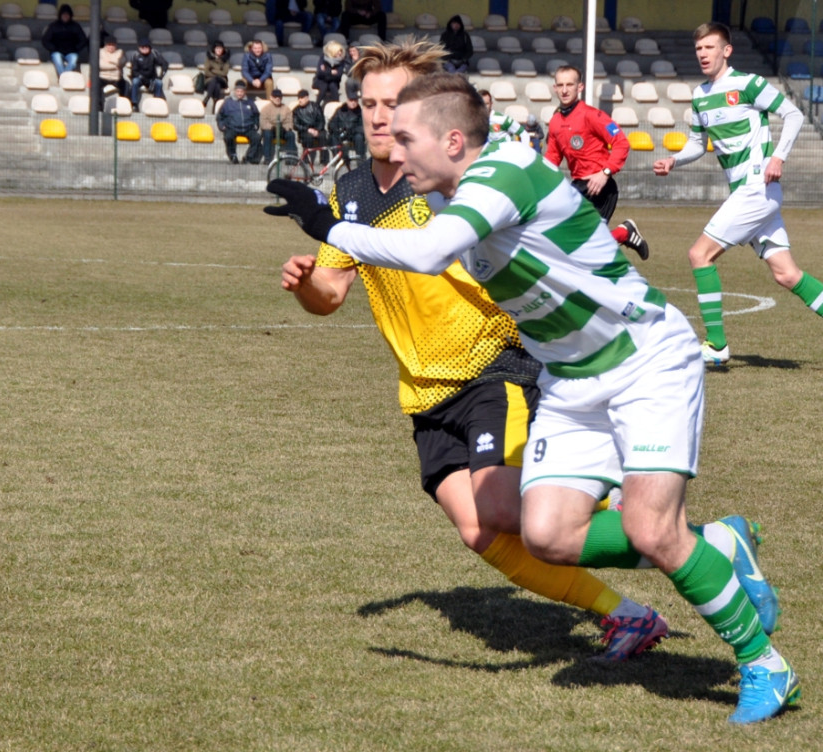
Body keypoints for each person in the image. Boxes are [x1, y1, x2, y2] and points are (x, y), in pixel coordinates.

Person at [266, 69, 798, 725]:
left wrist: (325, 224)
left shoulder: (503, 173)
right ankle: (718, 545)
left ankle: (764, 665)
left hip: (644, 361)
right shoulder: (457, 194)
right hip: (573, 379)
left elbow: (430, 253)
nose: (394, 152)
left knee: (650, 529)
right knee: (546, 533)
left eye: (406, 137)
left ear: (453, 141)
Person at [276, 38, 668, 663]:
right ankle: (628, 615)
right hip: (425, 389)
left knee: (507, 509)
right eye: (369, 102)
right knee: (480, 530)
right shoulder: (350, 189)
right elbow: (333, 293)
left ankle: (684, 541)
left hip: (494, 369)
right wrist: (307, 284)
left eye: (394, 102)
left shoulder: (447, 184)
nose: (379, 116)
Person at [653, 22, 823, 366]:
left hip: (756, 187)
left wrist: (779, 156)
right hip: (752, 192)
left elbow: (792, 114)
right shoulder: (700, 95)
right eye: (699, 49)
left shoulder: (748, 84)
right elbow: (699, 144)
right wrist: (674, 159)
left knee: (699, 255)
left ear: (726, 50)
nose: (703, 54)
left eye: (710, 48)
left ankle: (716, 345)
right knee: (787, 274)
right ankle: (716, 345)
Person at [546, 64, 650, 261]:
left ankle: (624, 234)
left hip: (600, 187)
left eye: (570, 84)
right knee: (578, 248)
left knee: (582, 249)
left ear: (580, 87)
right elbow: (552, 158)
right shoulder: (555, 122)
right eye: (560, 85)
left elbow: (621, 143)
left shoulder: (592, 115)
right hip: (577, 187)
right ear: (555, 88)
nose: (565, 89)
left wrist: (605, 173)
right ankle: (624, 233)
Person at [216, 80, 261, 164]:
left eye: (241, 91)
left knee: (257, 138)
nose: (239, 93)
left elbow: (256, 115)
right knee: (228, 137)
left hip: (248, 128)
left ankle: (248, 157)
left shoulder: (250, 102)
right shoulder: (228, 102)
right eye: (238, 91)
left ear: (244, 92)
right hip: (232, 127)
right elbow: (220, 116)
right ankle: (233, 155)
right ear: (235, 91)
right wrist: (222, 126)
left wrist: (256, 125)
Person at [41, 4, 88, 78]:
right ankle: (65, 78)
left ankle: (63, 78)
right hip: (57, 51)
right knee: (58, 61)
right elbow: (45, 40)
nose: (65, 16)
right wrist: (54, 48)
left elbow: (83, 40)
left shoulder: (76, 26)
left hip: (71, 52)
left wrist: (75, 48)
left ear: (70, 15)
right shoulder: (53, 26)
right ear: (60, 15)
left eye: (67, 14)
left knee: (73, 60)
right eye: (64, 14)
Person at [328, 85, 365, 160]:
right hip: (341, 133)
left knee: (359, 137)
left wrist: (351, 130)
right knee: (333, 136)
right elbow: (332, 123)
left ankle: (360, 158)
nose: (353, 103)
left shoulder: (360, 113)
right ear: (347, 101)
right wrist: (338, 130)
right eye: (351, 101)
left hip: (353, 135)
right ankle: (336, 159)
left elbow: (362, 127)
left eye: (355, 101)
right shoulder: (340, 110)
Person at [129, 38, 168, 110]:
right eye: (142, 47)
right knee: (135, 81)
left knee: (159, 83)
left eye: (146, 47)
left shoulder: (154, 54)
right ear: (139, 47)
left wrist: (160, 76)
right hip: (140, 78)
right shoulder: (136, 55)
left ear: (149, 47)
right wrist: (141, 77)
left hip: (151, 78)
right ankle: (134, 104)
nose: (144, 48)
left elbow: (164, 64)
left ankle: (157, 102)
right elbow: (134, 71)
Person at [260, 88, 297, 163]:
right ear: (271, 98)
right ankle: (267, 158)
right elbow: (263, 123)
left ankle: (290, 158)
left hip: (282, 130)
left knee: (291, 135)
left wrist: (285, 128)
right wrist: (272, 127)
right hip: (271, 130)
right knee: (267, 134)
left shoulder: (286, 108)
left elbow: (290, 122)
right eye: (275, 97)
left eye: (279, 97)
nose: (277, 99)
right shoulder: (265, 109)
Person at [292, 88, 327, 164]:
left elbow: (321, 121)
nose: (300, 100)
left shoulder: (316, 107)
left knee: (323, 136)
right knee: (308, 137)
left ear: (307, 98)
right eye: (299, 98)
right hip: (304, 131)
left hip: (317, 130)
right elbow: (295, 125)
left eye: (302, 98)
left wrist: (317, 130)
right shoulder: (296, 110)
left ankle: (324, 160)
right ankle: (306, 159)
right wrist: (307, 129)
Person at [312, 40, 346, 105]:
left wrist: (326, 71)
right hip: (319, 81)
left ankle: (337, 106)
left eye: (341, 51)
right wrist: (331, 72)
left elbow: (338, 75)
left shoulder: (341, 61)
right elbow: (319, 73)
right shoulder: (323, 58)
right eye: (338, 51)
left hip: (333, 82)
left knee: (332, 85)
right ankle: (317, 106)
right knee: (324, 85)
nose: (340, 53)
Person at [199, 40, 230, 108]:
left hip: (222, 80)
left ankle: (207, 98)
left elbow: (225, 73)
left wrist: (213, 70)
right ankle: (216, 103)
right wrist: (217, 74)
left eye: (220, 48)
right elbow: (206, 72)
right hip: (209, 80)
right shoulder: (209, 59)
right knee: (216, 84)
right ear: (214, 49)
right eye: (217, 48)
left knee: (216, 80)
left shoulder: (225, 60)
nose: (219, 50)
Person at [98, 34, 127, 98]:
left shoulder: (120, 52)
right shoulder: (100, 52)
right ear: (105, 45)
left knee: (124, 83)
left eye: (113, 45)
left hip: (116, 78)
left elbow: (121, 62)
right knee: (96, 84)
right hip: (103, 77)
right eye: (109, 45)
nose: (111, 47)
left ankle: (122, 102)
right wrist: (115, 66)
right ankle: (99, 106)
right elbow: (100, 65)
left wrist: (109, 61)